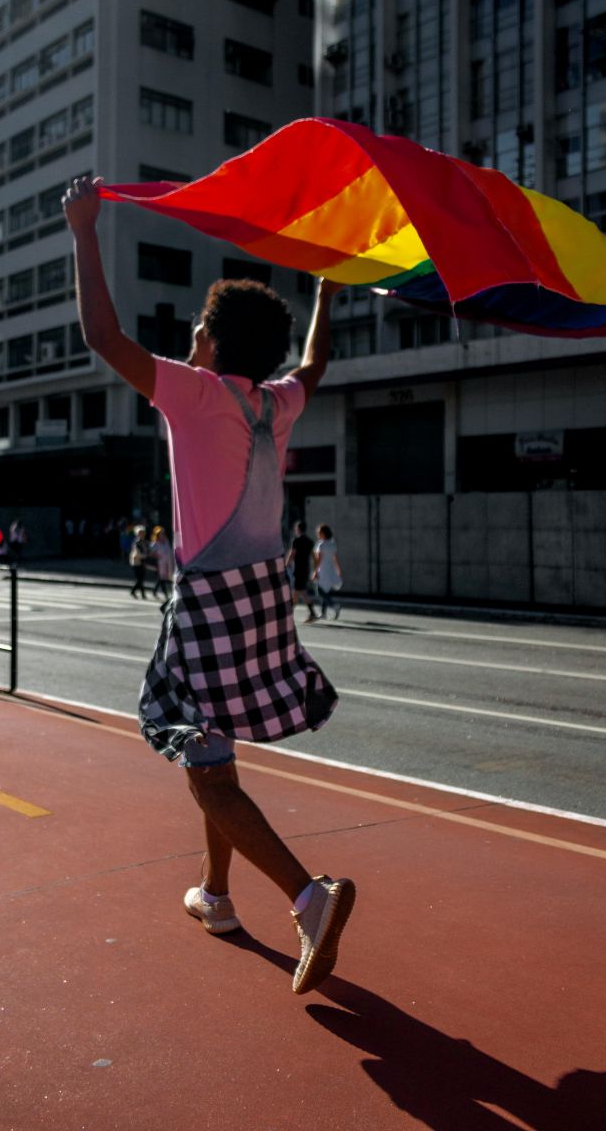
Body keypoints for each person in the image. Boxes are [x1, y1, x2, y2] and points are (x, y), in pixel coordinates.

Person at [63, 174, 355, 995]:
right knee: (213, 751)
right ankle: (217, 895)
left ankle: (309, 898)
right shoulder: (277, 403)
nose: (188, 340)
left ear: (212, 347)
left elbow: (101, 333)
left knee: (197, 756)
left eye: (196, 331)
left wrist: (85, 231)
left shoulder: (191, 396)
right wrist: (327, 292)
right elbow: (317, 362)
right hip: (264, 602)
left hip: (210, 605)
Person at [286, 519, 320, 622]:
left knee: (298, 591)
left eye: (296, 529)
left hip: (298, 570)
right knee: (299, 592)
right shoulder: (310, 541)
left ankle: (311, 613)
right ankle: (290, 613)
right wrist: (315, 570)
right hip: (305, 569)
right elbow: (315, 557)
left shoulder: (296, 541)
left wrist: (286, 565)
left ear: (298, 529)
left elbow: (292, 554)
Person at [313, 524, 343, 620]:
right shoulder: (332, 543)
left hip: (323, 570)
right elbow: (335, 558)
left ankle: (334, 606)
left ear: (323, 533)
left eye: (319, 532)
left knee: (320, 591)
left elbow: (319, 559)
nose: (317, 534)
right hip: (331, 570)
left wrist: (315, 571)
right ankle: (323, 613)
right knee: (326, 591)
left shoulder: (321, 544)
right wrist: (338, 569)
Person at [150, 525, 175, 609]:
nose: (162, 535)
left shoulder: (166, 542)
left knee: (161, 579)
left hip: (168, 564)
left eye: (163, 533)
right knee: (162, 579)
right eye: (161, 534)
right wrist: (157, 556)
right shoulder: (155, 543)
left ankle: (155, 591)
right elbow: (151, 553)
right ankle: (166, 594)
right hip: (160, 564)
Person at [128, 525, 150, 598]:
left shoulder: (146, 542)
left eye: (143, 532)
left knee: (141, 579)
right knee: (139, 579)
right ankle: (140, 593)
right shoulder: (136, 543)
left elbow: (149, 550)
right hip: (136, 562)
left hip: (143, 562)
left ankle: (136, 593)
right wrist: (146, 555)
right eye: (140, 533)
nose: (142, 534)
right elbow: (137, 554)